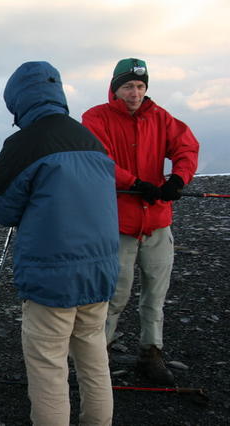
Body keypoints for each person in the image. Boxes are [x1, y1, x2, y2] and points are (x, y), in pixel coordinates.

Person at [0, 61, 119, 426]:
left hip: (51, 279)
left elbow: (2, 208)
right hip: (100, 273)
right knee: (94, 358)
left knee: (48, 366)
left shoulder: (22, 144)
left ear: (17, 101)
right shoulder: (90, 140)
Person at [82, 58, 199, 385]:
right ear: (115, 88)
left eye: (140, 86)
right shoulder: (95, 118)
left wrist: (178, 179)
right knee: (113, 294)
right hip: (117, 224)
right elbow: (97, 159)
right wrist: (135, 183)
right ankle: (97, 356)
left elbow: (186, 147)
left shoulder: (160, 117)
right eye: (128, 86)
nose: (134, 93)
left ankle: (151, 352)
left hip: (158, 222)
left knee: (155, 294)